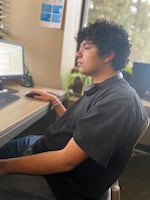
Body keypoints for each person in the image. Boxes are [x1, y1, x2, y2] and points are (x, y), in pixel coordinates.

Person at [0, 19, 148, 200]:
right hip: (45, 146)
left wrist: (5, 166)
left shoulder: (117, 101)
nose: (78, 53)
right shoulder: (104, 87)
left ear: (108, 54)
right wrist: (55, 101)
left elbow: (66, 161)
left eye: (86, 47)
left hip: (63, 182)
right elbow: (82, 129)